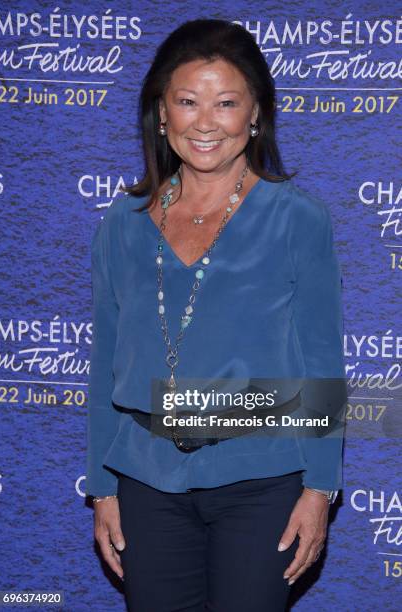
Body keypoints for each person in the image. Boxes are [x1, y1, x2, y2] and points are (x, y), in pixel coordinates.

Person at [85, 18, 347, 612]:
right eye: (187, 102)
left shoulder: (296, 218)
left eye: (226, 103)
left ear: (254, 114)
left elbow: (322, 363)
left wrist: (319, 487)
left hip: (264, 481)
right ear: (161, 112)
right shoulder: (120, 226)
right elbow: (104, 367)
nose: (206, 122)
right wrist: (103, 490)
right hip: (146, 483)